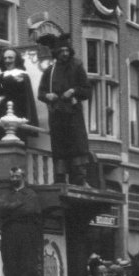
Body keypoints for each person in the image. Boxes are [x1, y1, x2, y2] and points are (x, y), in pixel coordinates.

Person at [37, 34, 92, 186]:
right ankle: (60, 180)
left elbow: (87, 91)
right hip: (57, 116)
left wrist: (73, 91)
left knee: (77, 145)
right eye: (61, 51)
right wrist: (48, 95)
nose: (65, 53)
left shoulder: (77, 66)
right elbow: (40, 93)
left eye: (67, 50)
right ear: (57, 53)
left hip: (74, 115)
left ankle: (79, 180)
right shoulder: (50, 70)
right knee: (59, 148)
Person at [0, 48, 38, 190]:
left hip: (14, 119)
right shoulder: (1, 76)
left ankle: (14, 187)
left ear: (16, 59)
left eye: (10, 58)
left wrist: (4, 97)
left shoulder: (22, 76)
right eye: (5, 58)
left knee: (13, 153)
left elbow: (23, 99)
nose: (7, 61)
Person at [0, 166, 42, 276]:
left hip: (27, 235)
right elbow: (2, 208)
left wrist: (12, 210)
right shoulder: (7, 194)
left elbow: (29, 210)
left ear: (23, 177)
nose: (14, 179)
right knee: (13, 268)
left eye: (17, 176)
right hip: (10, 235)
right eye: (12, 177)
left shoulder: (30, 194)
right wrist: (17, 207)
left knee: (28, 267)